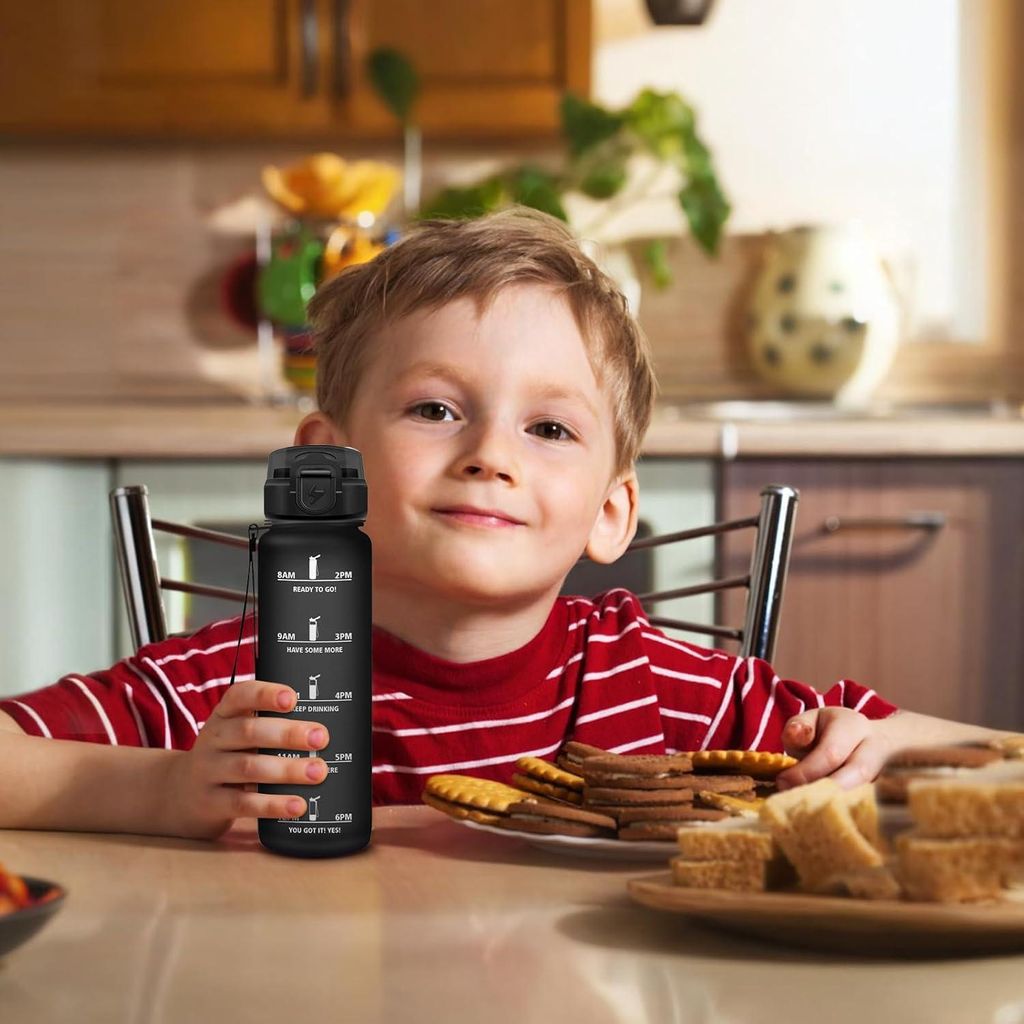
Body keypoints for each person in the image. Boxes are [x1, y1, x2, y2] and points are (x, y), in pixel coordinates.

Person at [0, 209, 1015, 842]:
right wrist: (169, 790)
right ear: (327, 461)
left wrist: (872, 747)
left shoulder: (661, 689)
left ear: (612, 510)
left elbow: (992, 760)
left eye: (549, 426)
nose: (491, 453)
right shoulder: (243, 691)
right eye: (436, 408)